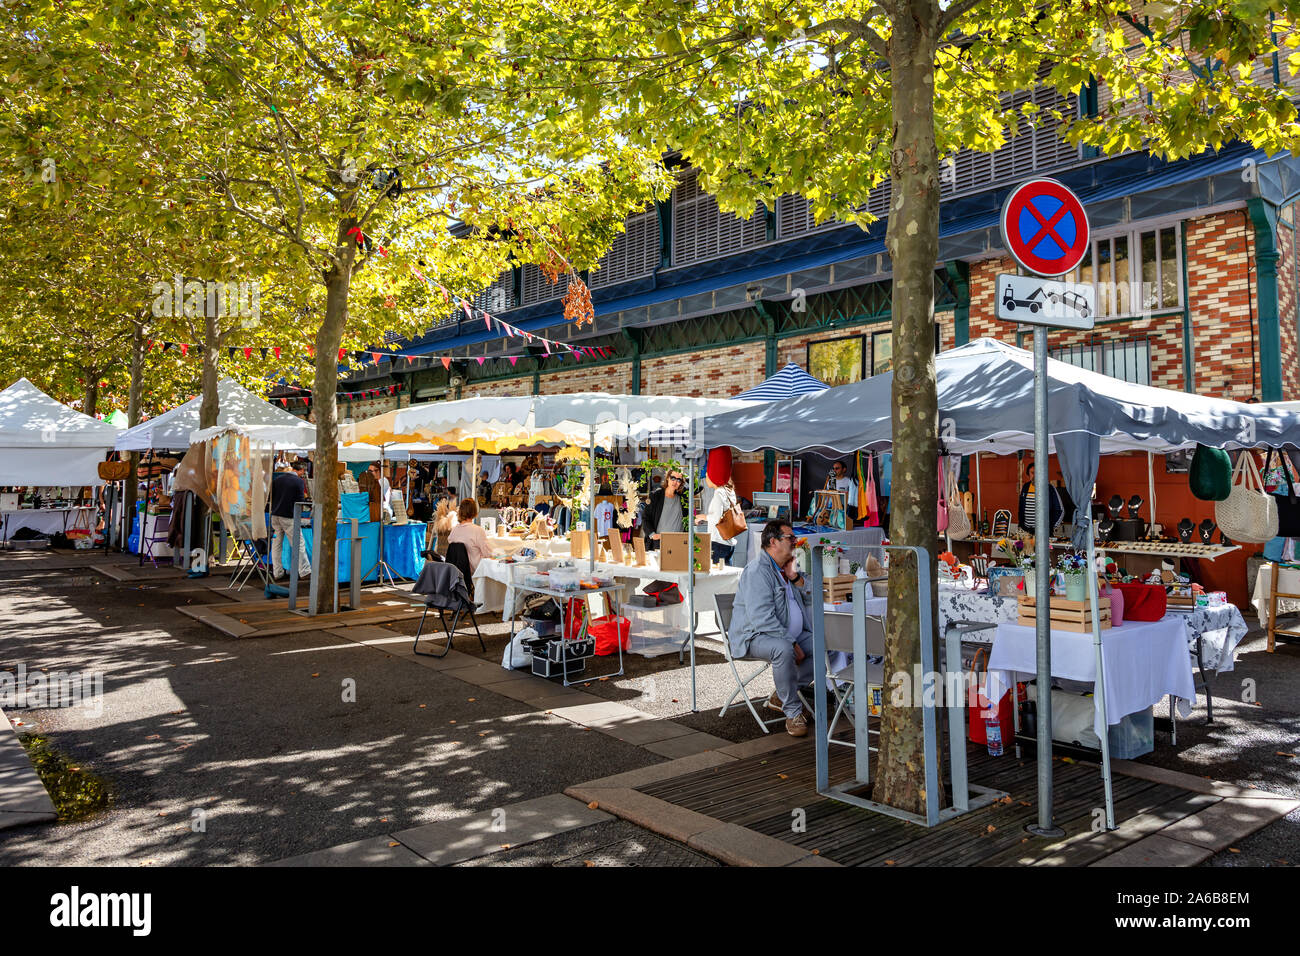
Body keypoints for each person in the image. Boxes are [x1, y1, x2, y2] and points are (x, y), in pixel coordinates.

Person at [729, 520, 815, 737]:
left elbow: (812, 596)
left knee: (825, 645)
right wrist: (792, 642)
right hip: (755, 636)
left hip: (786, 633)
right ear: (773, 541)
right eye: (790, 538)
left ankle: (784, 693)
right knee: (783, 650)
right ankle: (793, 712)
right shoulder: (758, 571)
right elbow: (762, 618)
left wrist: (795, 577)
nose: (795, 542)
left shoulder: (787, 568)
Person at [700, 448, 742, 565]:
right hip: (728, 542)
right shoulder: (729, 490)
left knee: (716, 578)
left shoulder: (718, 493)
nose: (706, 475)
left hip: (718, 542)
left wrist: (703, 517)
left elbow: (717, 518)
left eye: (708, 473)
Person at [270, 461, 310, 581]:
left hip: (275, 515)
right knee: (298, 543)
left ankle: (277, 572)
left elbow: (271, 497)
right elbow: (300, 501)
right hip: (288, 516)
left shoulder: (277, 480)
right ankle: (304, 571)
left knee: (277, 544)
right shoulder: (298, 481)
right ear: (301, 470)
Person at [643, 468, 686, 551]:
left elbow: (699, 488)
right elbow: (646, 517)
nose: (675, 482)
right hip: (659, 542)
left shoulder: (683, 499)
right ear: (667, 478)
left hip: (678, 543)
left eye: (679, 480)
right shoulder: (655, 496)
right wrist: (652, 535)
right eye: (673, 478)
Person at [447, 497, 494, 573]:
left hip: (457, 572)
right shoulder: (478, 530)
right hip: (475, 572)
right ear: (475, 512)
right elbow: (488, 554)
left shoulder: (454, 530)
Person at [1018, 460, 1063, 536]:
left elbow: (1060, 510)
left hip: (1044, 533)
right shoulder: (1025, 487)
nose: (1035, 475)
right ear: (1028, 475)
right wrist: (1022, 525)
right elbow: (1021, 508)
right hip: (1027, 532)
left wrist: (1050, 527)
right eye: (1032, 473)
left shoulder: (1049, 488)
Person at [827, 459, 859, 524]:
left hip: (845, 511)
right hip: (832, 510)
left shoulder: (849, 481)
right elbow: (828, 497)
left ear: (844, 469)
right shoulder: (830, 481)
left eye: (837, 468)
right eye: (833, 469)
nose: (834, 471)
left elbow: (854, 497)